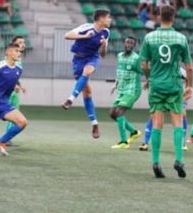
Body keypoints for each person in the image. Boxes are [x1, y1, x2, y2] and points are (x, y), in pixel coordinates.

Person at [140, 5, 193, 178]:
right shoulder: (180, 38)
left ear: (158, 17)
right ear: (173, 18)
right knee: (178, 122)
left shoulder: (149, 37)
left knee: (157, 124)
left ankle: (156, 162)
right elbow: (189, 67)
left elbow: (143, 64)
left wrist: (150, 77)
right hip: (174, 85)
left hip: (156, 85)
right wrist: (190, 85)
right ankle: (179, 159)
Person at [61, 9, 111, 139]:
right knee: (87, 93)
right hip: (78, 60)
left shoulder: (106, 32)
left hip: (92, 58)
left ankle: (70, 99)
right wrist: (84, 36)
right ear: (101, 19)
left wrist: (104, 45)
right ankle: (95, 124)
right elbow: (67, 35)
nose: (110, 20)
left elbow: (103, 55)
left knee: (87, 71)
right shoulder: (86, 27)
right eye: (108, 17)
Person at [109, 37, 143, 149]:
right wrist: (115, 84)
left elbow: (144, 71)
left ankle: (124, 142)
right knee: (112, 113)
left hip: (133, 90)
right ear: (124, 43)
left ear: (134, 46)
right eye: (127, 42)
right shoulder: (119, 56)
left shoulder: (136, 58)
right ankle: (134, 132)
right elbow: (120, 72)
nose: (129, 44)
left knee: (119, 112)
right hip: (122, 90)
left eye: (131, 43)